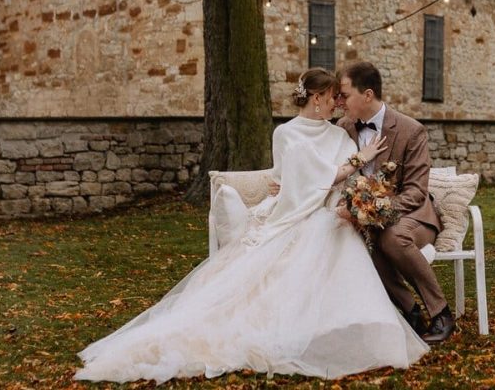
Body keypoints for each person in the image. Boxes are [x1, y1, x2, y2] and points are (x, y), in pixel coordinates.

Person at [74, 68, 428, 383]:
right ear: (317, 98)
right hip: (297, 211)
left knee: (338, 236)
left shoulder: (339, 135)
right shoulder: (287, 134)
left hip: (329, 210)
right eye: (333, 96)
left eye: (342, 96)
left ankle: (348, 327)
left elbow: (330, 182)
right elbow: (305, 176)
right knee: (303, 249)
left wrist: (334, 182)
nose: (338, 102)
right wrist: (348, 164)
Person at [336, 61, 455, 343]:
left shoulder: (411, 130)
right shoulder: (343, 127)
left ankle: (441, 314)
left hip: (414, 215)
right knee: (364, 238)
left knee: (392, 236)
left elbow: (415, 191)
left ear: (367, 95)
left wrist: (375, 211)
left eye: (345, 95)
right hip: (364, 216)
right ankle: (410, 311)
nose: (339, 101)